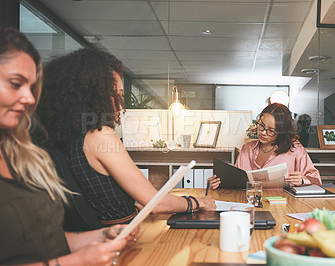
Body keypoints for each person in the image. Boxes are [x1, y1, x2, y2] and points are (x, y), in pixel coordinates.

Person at [0, 27, 136, 265]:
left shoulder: (23, 156)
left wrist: (100, 236)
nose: (30, 98)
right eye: (15, 84)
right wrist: (74, 262)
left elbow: (42, 240)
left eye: (31, 88)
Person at [34, 48, 215, 226]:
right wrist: (197, 202)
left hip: (109, 233)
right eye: (117, 95)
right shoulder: (99, 134)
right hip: (126, 235)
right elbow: (156, 203)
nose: (120, 105)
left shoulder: (69, 138)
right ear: (92, 95)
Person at [208, 103, 322, 189]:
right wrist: (217, 183)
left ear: (282, 132)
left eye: (271, 131)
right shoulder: (247, 149)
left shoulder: (295, 149)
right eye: (261, 126)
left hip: (283, 206)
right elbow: (236, 182)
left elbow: (317, 180)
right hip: (249, 203)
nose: (263, 132)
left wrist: (302, 180)